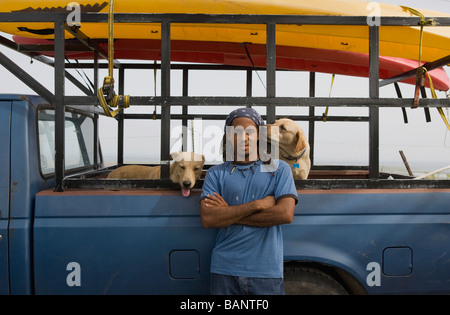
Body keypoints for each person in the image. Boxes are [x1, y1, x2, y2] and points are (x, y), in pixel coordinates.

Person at [200, 107, 298, 295]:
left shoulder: (279, 169)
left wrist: (228, 213)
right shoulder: (216, 174)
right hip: (224, 270)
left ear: (259, 135)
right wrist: (257, 205)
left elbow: (285, 214)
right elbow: (209, 219)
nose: (243, 137)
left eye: (250, 132)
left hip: (266, 272)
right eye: (236, 132)